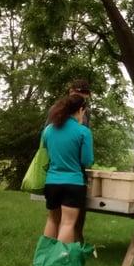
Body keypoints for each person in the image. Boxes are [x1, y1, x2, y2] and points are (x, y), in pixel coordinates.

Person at [43, 94, 94, 243]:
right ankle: (61, 261)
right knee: (67, 224)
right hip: (73, 183)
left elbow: (46, 151)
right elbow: (87, 161)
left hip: (51, 182)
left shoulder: (48, 130)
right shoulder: (83, 132)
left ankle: (45, 257)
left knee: (52, 220)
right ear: (80, 110)